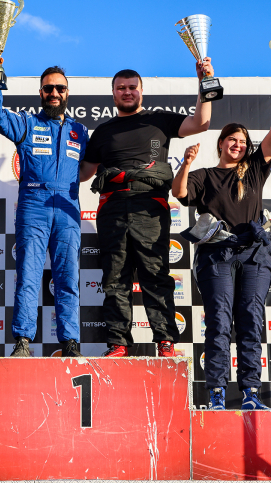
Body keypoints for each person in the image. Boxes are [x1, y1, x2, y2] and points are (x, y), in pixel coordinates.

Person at [172, 72, 271, 411]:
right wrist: (185, 164)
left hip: (254, 255)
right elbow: (180, 193)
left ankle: (251, 394)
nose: (238, 145)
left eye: (242, 141)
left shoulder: (254, 169)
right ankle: (216, 394)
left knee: (250, 321)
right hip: (216, 256)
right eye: (232, 139)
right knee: (218, 322)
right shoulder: (205, 176)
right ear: (221, 143)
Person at [78, 61, 212, 357]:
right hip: (112, 209)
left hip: (149, 206)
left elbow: (201, 123)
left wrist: (204, 83)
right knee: (115, 278)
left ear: (142, 91)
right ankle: (117, 343)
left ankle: (165, 341)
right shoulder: (102, 132)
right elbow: (84, 173)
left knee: (155, 274)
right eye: (121, 88)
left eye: (132, 87)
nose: (127, 92)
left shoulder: (159, 120)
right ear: (113, 93)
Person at [0, 57, 88, 358]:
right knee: (28, 275)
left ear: (67, 93)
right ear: (40, 92)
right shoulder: (27, 124)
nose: (54, 93)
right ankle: (23, 341)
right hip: (34, 205)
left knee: (68, 277)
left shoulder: (81, 131)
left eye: (60, 88)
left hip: (67, 207)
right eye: (48, 88)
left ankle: (70, 343)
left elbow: (90, 166)